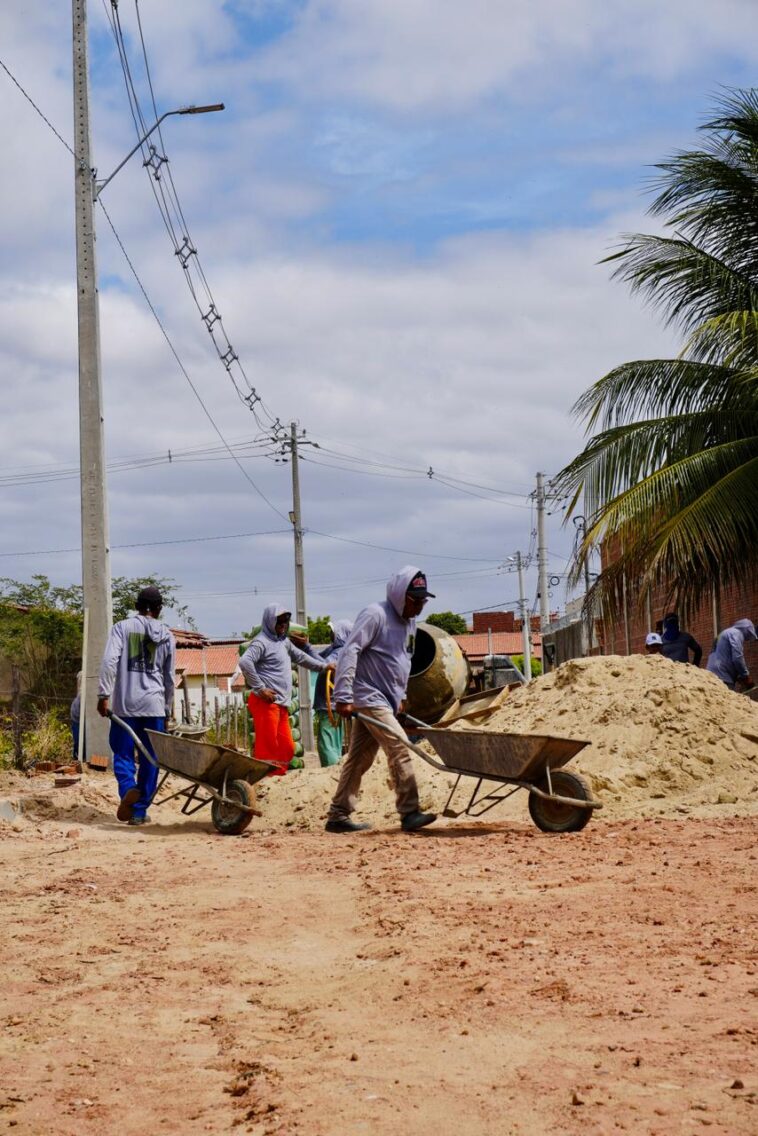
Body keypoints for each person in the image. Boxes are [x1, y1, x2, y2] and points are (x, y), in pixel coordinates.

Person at [325, 566, 437, 834]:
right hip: (368, 695)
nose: (419, 606)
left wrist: (402, 695)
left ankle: (338, 815)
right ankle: (409, 812)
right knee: (400, 745)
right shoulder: (375, 615)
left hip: (386, 699)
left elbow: (404, 660)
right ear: (400, 595)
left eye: (423, 601)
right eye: (415, 600)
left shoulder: (410, 623)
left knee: (359, 758)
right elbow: (349, 651)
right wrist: (343, 695)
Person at [97, 586, 176, 826]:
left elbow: (109, 661)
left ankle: (128, 788)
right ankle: (139, 811)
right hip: (155, 705)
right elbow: (169, 677)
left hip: (126, 704)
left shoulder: (122, 628)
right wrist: (167, 709)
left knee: (122, 752)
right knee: (151, 758)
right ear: (159, 609)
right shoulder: (167, 635)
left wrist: (103, 694)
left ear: (136, 606)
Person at [238, 604, 330, 775]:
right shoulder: (261, 642)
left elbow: (300, 657)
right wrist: (260, 689)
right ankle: (266, 779)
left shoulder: (283, 642)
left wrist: (323, 667)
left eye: (285, 621)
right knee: (268, 747)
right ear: (270, 622)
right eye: (279, 621)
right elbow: (245, 662)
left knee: (287, 747)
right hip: (266, 703)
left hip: (281, 703)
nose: (283, 625)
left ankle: (278, 776)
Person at [311, 620, 353, 767]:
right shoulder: (334, 649)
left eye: (333, 632)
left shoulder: (339, 653)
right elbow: (316, 659)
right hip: (334, 705)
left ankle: (330, 770)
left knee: (326, 743)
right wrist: (305, 647)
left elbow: (324, 664)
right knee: (334, 741)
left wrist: (305, 647)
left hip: (328, 705)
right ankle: (337, 768)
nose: (330, 634)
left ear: (342, 634)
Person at [706, 619, 756, 691]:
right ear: (746, 630)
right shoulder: (736, 633)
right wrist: (745, 676)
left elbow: (722, 654)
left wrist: (738, 675)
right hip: (723, 675)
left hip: (710, 672)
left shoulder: (725, 632)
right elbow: (737, 657)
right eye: (749, 634)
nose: (747, 638)